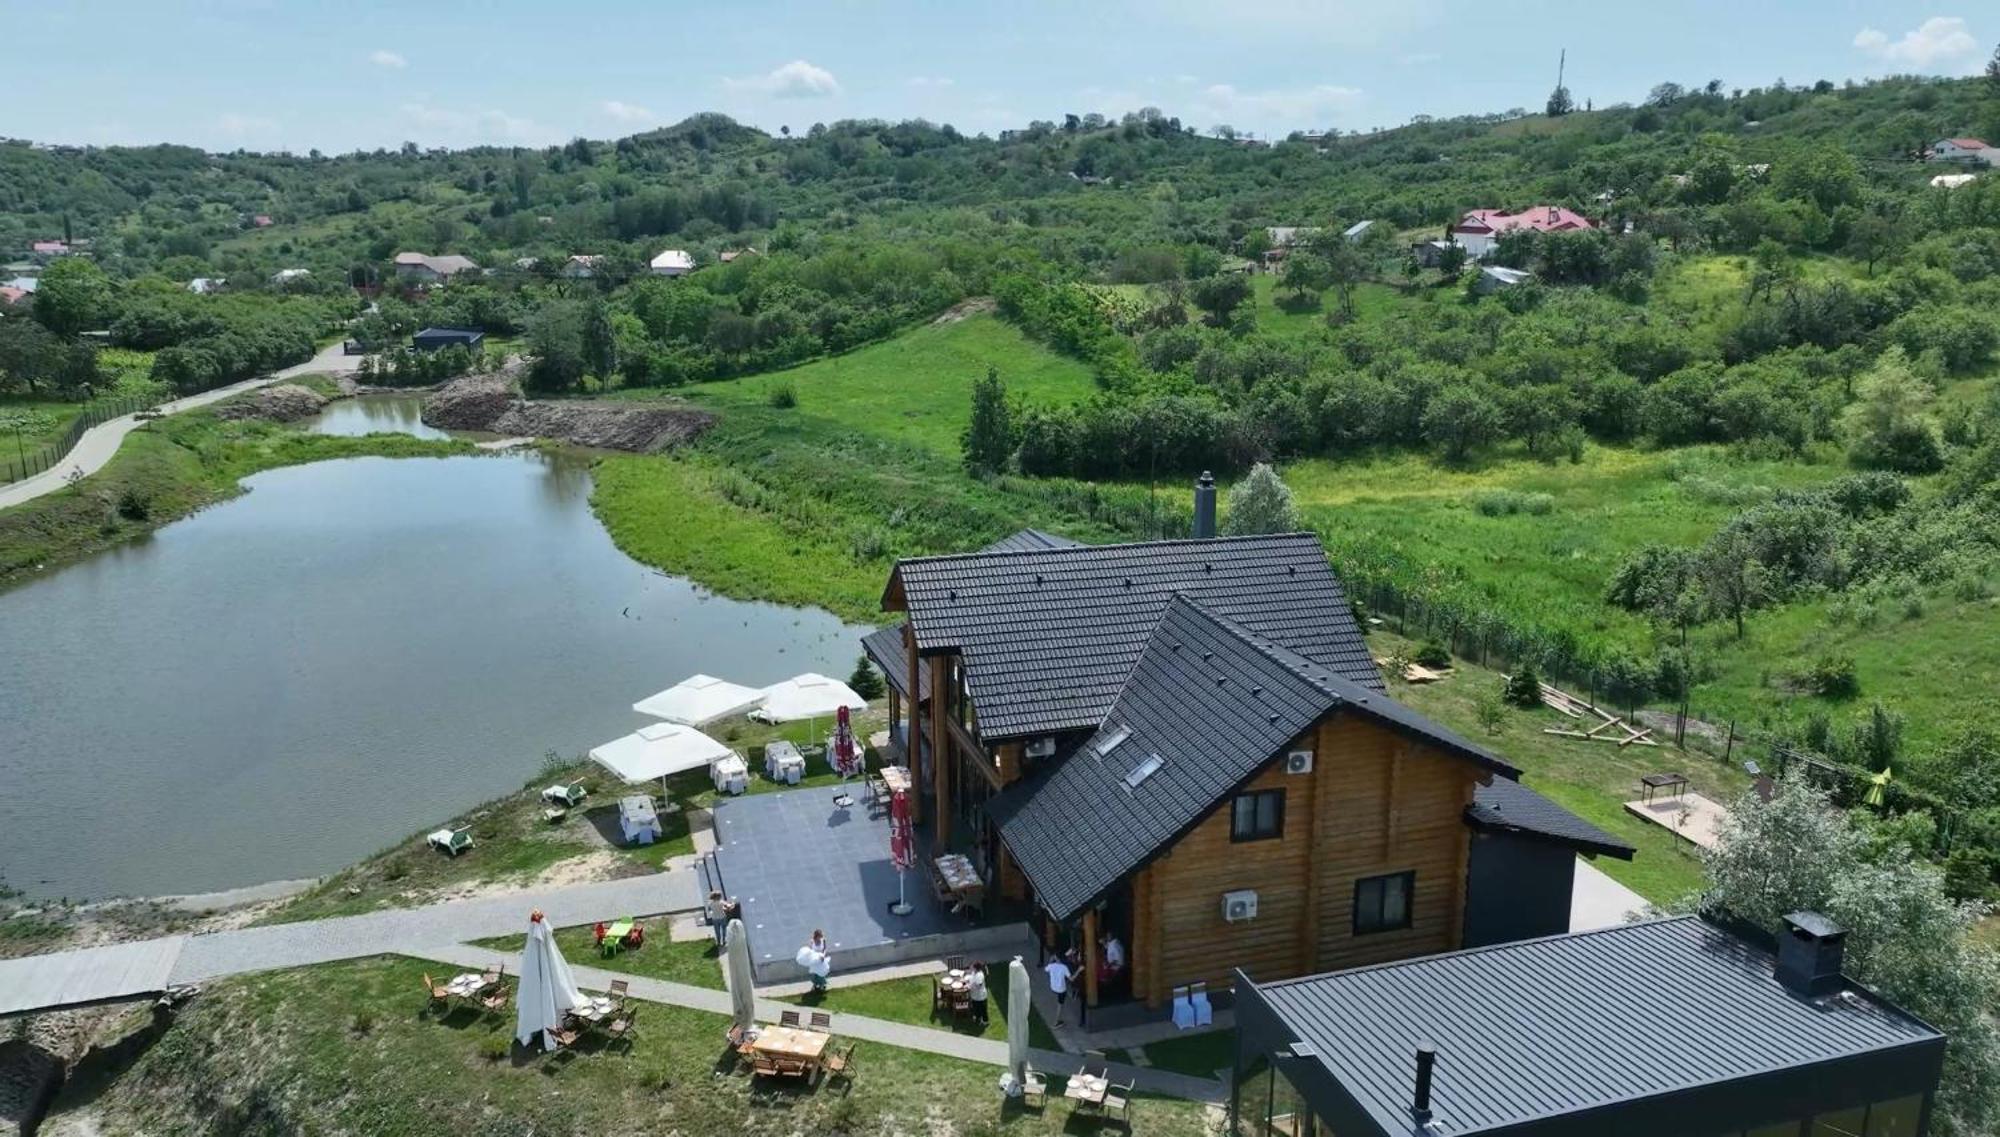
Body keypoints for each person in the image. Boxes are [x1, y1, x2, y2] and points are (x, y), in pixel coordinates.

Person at [1043, 952, 1073, 1024]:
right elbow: (1071, 979)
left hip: (1053, 988)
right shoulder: (1064, 967)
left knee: (1065, 988)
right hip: (1061, 990)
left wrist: (1050, 960)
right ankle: (1056, 1022)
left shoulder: (1051, 966)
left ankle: (1071, 995)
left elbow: (1046, 969)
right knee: (1060, 1005)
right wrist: (1079, 970)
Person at [807, 929, 832, 993]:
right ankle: (815, 984)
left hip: (821, 959)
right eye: (819, 936)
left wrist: (823, 955)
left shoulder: (823, 940)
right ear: (816, 936)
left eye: (821, 936)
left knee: (821, 972)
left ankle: (822, 984)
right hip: (814, 959)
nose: (820, 937)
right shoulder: (812, 941)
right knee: (815, 972)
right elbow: (810, 950)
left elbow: (824, 949)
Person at [968, 961, 990, 1028]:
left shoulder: (980, 975)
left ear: (976, 968)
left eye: (973, 967)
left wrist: (970, 986)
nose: (971, 968)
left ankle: (985, 1021)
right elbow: (971, 978)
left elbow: (979, 985)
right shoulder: (974, 973)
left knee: (983, 1009)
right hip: (975, 995)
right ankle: (978, 1017)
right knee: (976, 1007)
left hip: (980, 996)